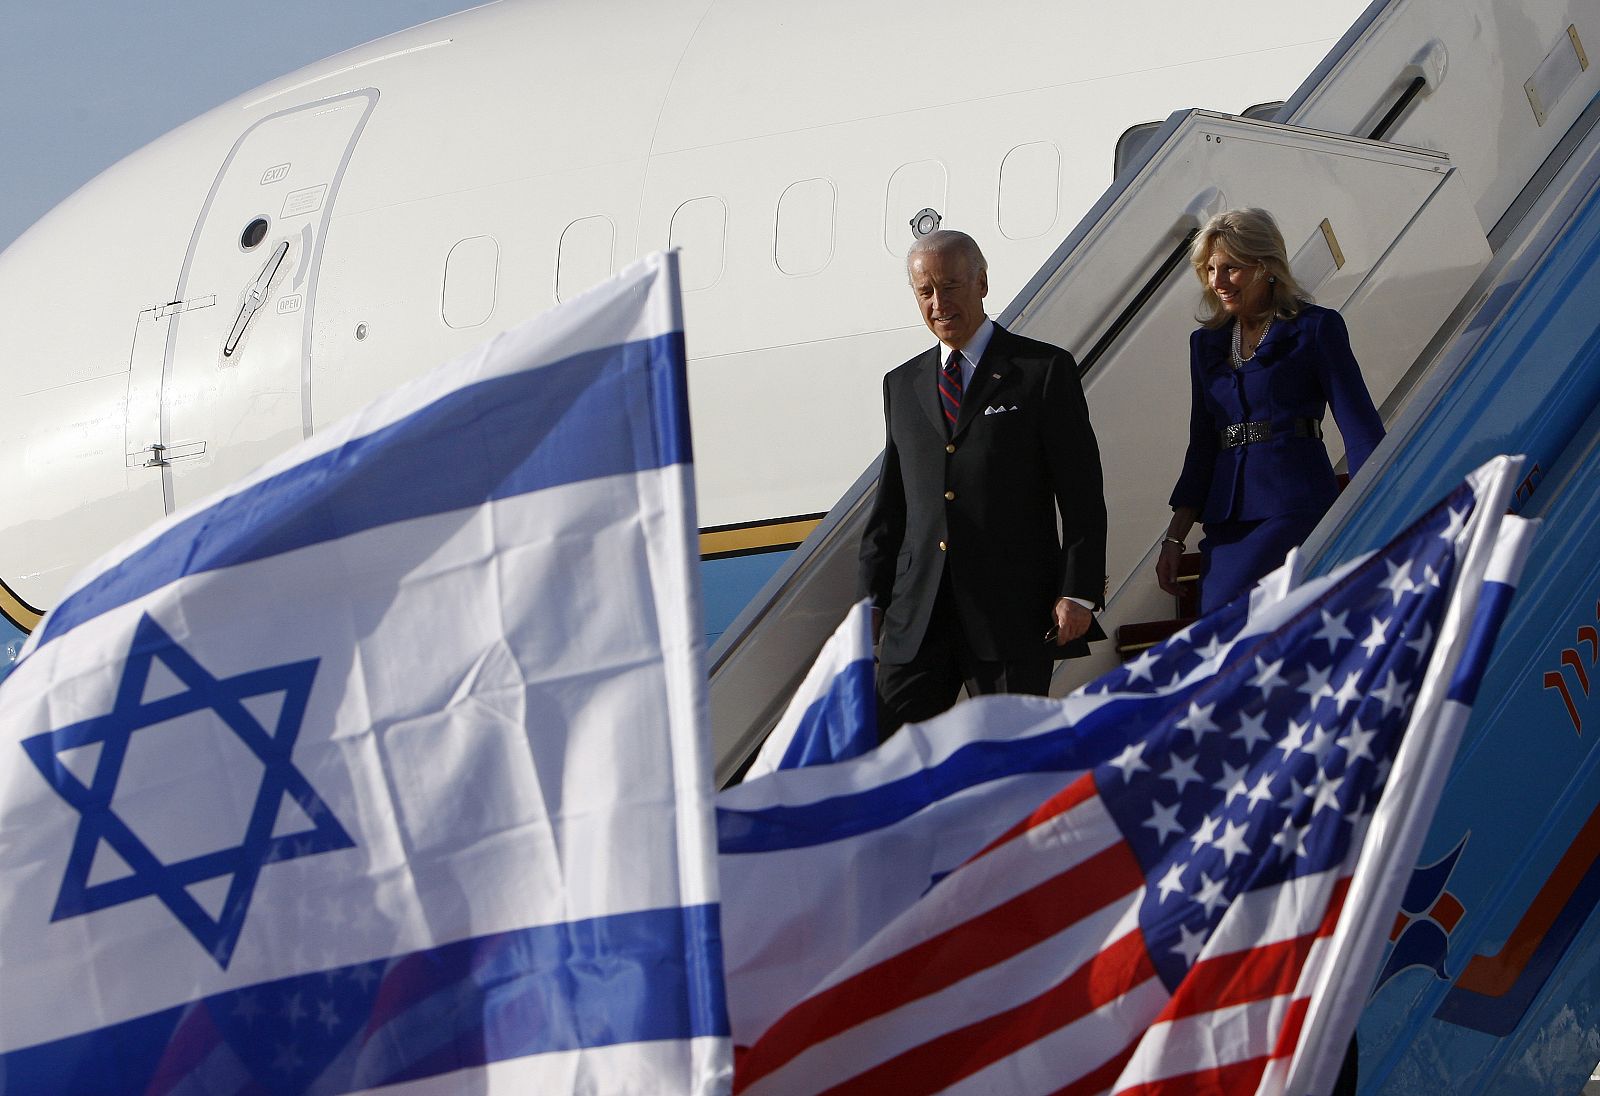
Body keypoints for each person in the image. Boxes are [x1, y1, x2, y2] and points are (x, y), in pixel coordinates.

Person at [858, 229, 1107, 738]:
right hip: (917, 617)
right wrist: (872, 600)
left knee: (1009, 760)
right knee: (887, 758)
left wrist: (1079, 591)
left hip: (1010, 615)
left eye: (950, 286)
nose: (938, 303)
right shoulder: (901, 384)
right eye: (925, 292)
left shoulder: (1041, 371)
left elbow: (1081, 493)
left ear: (982, 283)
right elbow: (894, 504)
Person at [1158, 208, 1384, 614]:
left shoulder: (1315, 328)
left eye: (1231, 268)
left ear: (1266, 267)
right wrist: (1175, 538)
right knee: (1219, 624)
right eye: (1210, 270)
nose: (1217, 282)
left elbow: (1360, 429)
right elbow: (1202, 445)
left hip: (1294, 507)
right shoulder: (1204, 344)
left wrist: (1378, 512)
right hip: (1227, 518)